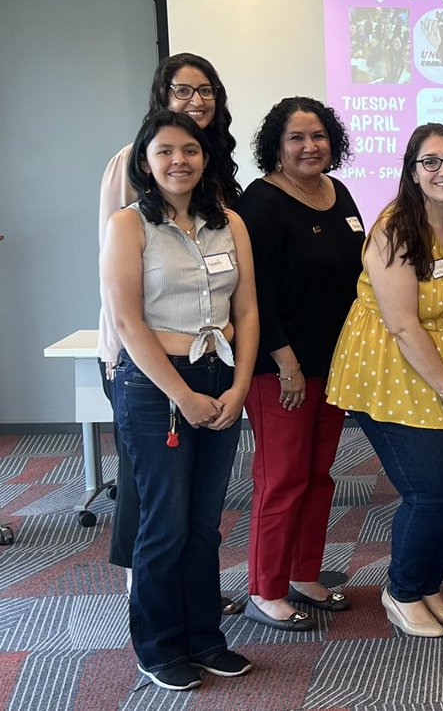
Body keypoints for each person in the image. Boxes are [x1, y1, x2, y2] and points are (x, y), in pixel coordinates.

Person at [100, 109, 258, 691]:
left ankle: (204, 639)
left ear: (205, 156)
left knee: (204, 523)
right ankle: (159, 645)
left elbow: (246, 311)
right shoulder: (129, 225)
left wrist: (239, 386)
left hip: (220, 376)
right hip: (155, 385)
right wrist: (182, 394)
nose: (179, 161)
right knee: (163, 524)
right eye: (165, 151)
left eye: (189, 150)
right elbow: (126, 320)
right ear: (146, 161)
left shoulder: (229, 225)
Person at [327, 124, 443, 638]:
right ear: (412, 172)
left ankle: (427, 583)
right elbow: (402, 323)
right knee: (430, 490)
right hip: (392, 367)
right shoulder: (395, 228)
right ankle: (401, 591)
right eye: (431, 162)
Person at [97, 52, 242, 608]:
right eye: (183, 90)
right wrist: (119, 354)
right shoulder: (130, 166)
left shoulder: (216, 174)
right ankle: (150, 598)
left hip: (211, 355)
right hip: (144, 357)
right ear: (161, 97)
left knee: (199, 510)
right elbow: (118, 272)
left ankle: (191, 601)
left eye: (206, 90)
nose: (196, 100)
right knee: (154, 500)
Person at [237, 98, 365, 630]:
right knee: (281, 479)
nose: (310, 147)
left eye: (318, 136)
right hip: (280, 369)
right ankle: (265, 588)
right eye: (296, 138)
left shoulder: (340, 194)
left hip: (334, 365)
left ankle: (303, 573)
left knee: (318, 476)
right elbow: (253, 292)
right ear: (276, 145)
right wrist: (284, 359)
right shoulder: (261, 202)